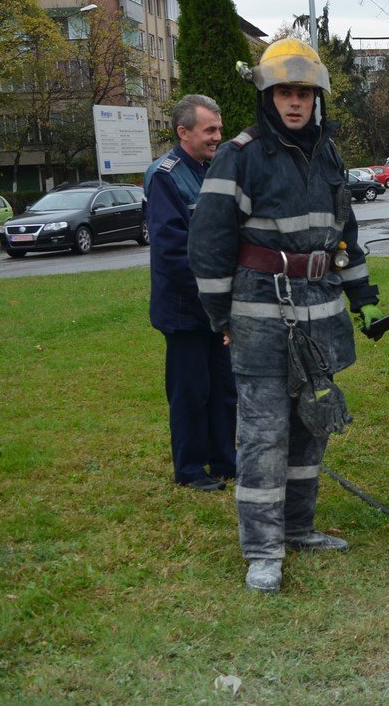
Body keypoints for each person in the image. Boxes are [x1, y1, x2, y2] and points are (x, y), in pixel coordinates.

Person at [188, 38, 389, 594]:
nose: (295, 103)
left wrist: (362, 295)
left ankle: (299, 527)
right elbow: (207, 244)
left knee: (311, 428)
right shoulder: (240, 154)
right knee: (262, 437)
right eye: (285, 92)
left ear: (316, 98)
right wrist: (221, 318)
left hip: (320, 312)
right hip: (260, 313)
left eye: (304, 93)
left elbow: (344, 237)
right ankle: (261, 549)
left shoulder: (328, 152)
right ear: (268, 95)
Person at [143, 94, 237, 492]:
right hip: (186, 308)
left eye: (219, 128)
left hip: (218, 304)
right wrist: (212, 298)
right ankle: (190, 468)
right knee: (190, 391)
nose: (218, 136)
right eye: (209, 130)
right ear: (183, 132)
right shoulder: (165, 175)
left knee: (223, 389)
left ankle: (225, 461)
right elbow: (171, 251)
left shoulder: (214, 169)